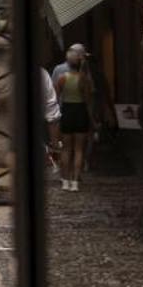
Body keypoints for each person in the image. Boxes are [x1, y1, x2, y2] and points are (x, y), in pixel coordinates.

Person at [55, 43, 95, 190]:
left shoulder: (61, 78)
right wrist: (92, 120)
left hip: (66, 112)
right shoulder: (84, 79)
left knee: (66, 149)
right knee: (79, 149)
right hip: (80, 112)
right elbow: (88, 101)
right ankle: (75, 182)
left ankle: (65, 181)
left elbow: (56, 99)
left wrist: (56, 117)